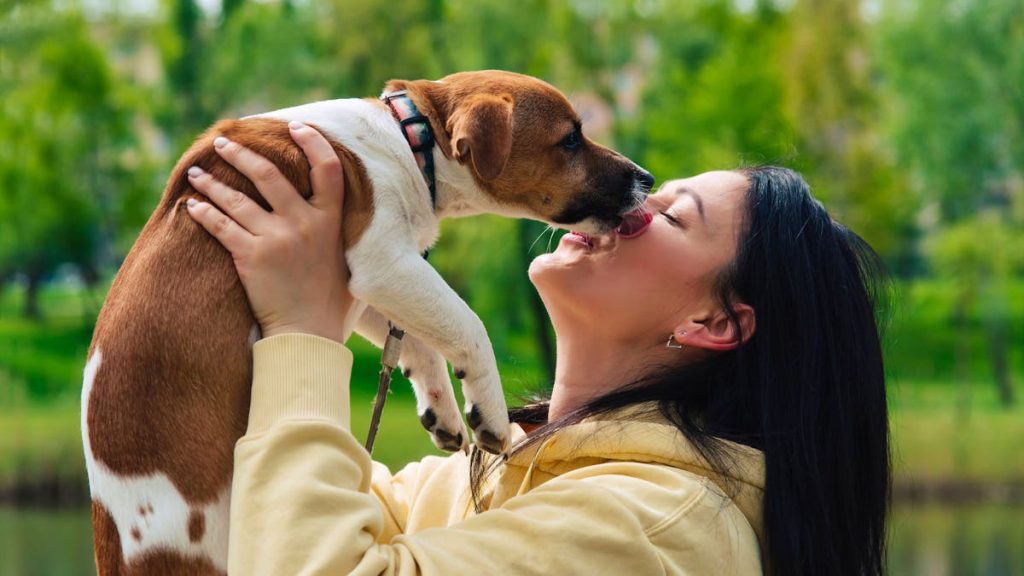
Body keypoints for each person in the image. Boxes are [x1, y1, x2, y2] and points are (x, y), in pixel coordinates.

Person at [185, 121, 891, 575]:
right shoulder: (474, 478)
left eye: (672, 217)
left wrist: (303, 332)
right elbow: (256, 516)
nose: (633, 207)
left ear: (715, 322)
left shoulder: (655, 529)